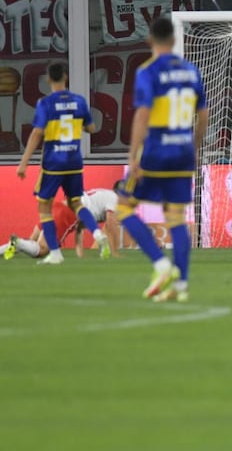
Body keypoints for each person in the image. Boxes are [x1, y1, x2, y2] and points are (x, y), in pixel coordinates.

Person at [116, 16, 208, 302]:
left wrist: (133, 156)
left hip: (155, 152)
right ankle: (180, 286)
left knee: (123, 207)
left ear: (150, 40)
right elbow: (203, 114)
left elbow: (143, 114)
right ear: (175, 39)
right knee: (176, 219)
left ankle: (160, 263)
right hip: (182, 153)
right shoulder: (191, 71)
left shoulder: (147, 71)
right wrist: (193, 146)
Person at [15, 64, 107, 265]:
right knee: (77, 203)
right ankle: (99, 234)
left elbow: (37, 133)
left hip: (53, 164)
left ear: (48, 79)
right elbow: (92, 128)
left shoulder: (45, 103)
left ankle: (55, 253)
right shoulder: (79, 101)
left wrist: (24, 163)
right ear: (66, 77)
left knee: (44, 208)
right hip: (74, 161)